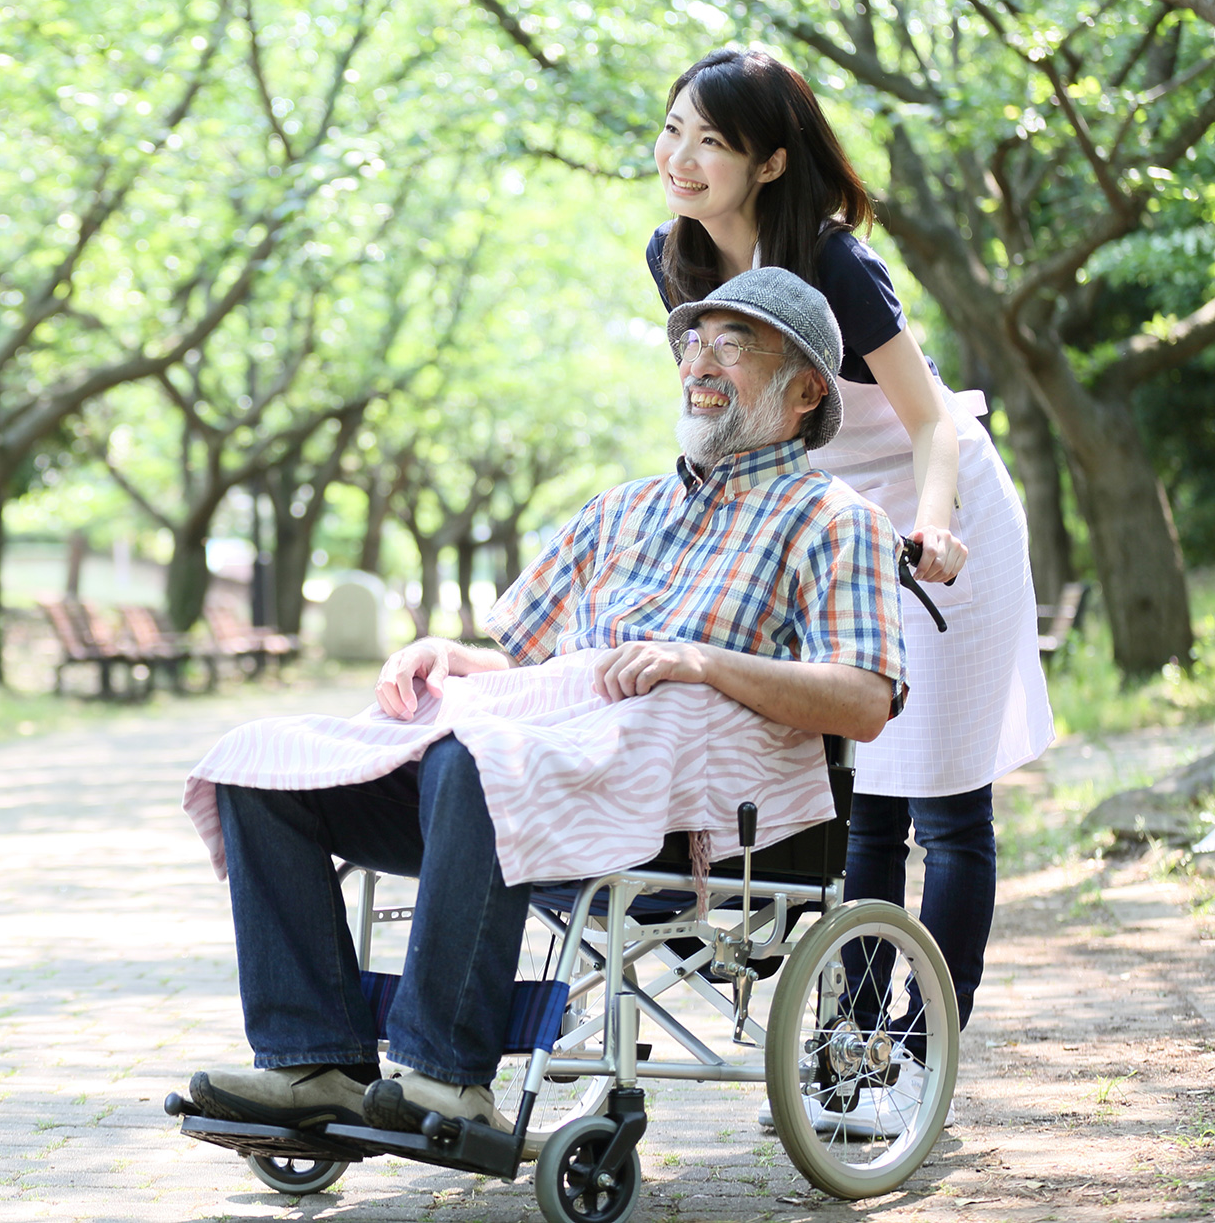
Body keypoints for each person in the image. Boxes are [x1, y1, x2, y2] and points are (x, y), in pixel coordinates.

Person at [180, 269, 906, 1140]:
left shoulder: (835, 519)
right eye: (691, 341)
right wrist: (447, 654)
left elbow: (865, 700)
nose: (700, 363)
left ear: (806, 390)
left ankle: (448, 1078)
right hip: (519, 770)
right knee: (261, 768)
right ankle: (315, 1061)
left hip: (673, 805)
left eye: (732, 343)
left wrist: (703, 661)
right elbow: (523, 663)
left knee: (473, 757)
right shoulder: (620, 510)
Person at [648, 47, 1054, 1136]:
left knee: (944, 805)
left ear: (771, 162)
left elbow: (928, 421)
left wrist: (930, 525)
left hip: (938, 511)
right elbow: (713, 406)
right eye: (672, 128)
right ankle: (852, 1047)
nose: (678, 158)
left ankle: (919, 1058)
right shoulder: (672, 256)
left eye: (711, 141)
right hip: (825, 519)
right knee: (860, 803)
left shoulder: (835, 265)